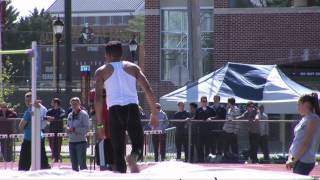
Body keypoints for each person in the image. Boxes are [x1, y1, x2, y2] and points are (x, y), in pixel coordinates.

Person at [94, 41, 158, 173]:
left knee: (118, 151)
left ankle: (122, 174)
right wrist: (154, 114)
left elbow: (98, 98)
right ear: (121, 53)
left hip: (114, 110)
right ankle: (133, 157)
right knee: (138, 146)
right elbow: (147, 89)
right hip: (132, 108)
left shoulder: (101, 71)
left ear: (107, 55)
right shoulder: (133, 67)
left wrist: (100, 125)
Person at [286, 93, 320, 175]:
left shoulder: (313, 119)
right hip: (298, 159)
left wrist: (293, 160)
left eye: (299, 105)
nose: (297, 108)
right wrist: (291, 158)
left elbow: (306, 143)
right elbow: (297, 141)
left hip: (304, 160)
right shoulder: (305, 119)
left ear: (306, 104)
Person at [18, 92, 51, 170]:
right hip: (39, 138)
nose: (28, 102)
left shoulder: (29, 111)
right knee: (42, 162)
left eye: (29, 100)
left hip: (30, 139)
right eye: (26, 100)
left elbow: (21, 126)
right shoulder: (42, 108)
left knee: (24, 164)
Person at [90, 88, 114, 171]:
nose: (92, 102)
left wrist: (100, 132)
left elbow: (101, 122)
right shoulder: (110, 105)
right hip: (112, 138)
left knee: (104, 165)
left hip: (104, 139)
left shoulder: (101, 108)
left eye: (92, 100)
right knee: (113, 162)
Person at [67, 97, 89, 171]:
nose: (74, 106)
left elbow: (87, 129)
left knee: (82, 165)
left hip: (81, 142)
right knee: (74, 166)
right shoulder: (70, 115)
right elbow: (68, 126)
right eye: (72, 104)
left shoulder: (84, 114)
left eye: (76, 104)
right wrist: (67, 129)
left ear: (79, 104)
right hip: (71, 142)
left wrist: (75, 129)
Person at [194, 96, 215, 162]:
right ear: (201, 102)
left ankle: (207, 159)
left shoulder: (211, 109)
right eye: (203, 101)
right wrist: (189, 119)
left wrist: (211, 118)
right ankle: (200, 159)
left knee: (207, 146)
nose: (204, 102)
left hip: (208, 130)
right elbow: (195, 118)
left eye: (205, 101)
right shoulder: (198, 110)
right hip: (200, 130)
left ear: (207, 102)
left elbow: (216, 116)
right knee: (200, 145)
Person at [46, 98, 65, 163]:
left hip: (59, 131)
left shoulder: (62, 111)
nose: (51, 103)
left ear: (56, 103)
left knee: (58, 145)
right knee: (51, 144)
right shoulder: (50, 111)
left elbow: (61, 116)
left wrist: (52, 118)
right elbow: (46, 117)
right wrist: (50, 118)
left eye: (52, 102)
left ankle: (57, 158)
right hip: (51, 130)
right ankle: (54, 156)